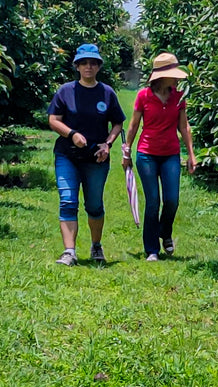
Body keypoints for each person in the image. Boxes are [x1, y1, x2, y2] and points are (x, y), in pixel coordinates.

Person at [47, 44, 126, 265]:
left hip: (96, 158)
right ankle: (69, 252)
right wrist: (71, 134)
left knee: (94, 205)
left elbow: (118, 121)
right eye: (84, 63)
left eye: (92, 63)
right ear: (77, 66)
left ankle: (96, 246)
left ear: (98, 66)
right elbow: (53, 120)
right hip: (67, 155)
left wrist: (108, 144)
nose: (88, 66)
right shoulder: (65, 91)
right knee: (68, 201)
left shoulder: (107, 93)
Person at [123, 52, 198, 261]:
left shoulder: (179, 96)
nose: (176, 78)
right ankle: (152, 249)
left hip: (171, 155)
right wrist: (126, 151)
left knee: (172, 200)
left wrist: (191, 155)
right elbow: (134, 125)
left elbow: (184, 126)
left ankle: (165, 232)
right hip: (146, 154)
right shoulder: (144, 96)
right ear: (161, 76)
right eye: (173, 74)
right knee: (153, 201)